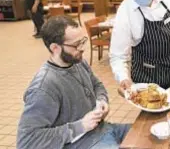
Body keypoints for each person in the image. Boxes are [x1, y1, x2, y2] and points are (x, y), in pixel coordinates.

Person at [17, 16, 131, 149]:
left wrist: (102, 100)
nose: (83, 48)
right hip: (83, 144)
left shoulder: (77, 61)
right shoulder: (44, 87)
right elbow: (27, 141)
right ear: (55, 48)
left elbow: (97, 85)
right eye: (77, 45)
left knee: (148, 133)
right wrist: (80, 126)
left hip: (104, 130)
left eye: (83, 41)